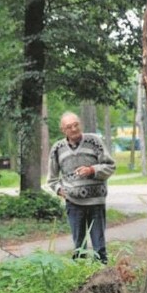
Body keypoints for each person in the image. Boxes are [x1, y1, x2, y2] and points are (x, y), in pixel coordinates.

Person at [47, 111, 116, 263]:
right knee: (79, 245)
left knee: (99, 245)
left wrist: (92, 170)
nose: (73, 129)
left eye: (75, 124)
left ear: (80, 124)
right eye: (69, 126)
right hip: (73, 203)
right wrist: (60, 190)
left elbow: (110, 166)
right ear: (63, 130)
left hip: (96, 202)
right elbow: (51, 179)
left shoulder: (94, 141)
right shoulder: (57, 148)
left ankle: (102, 276)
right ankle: (80, 278)